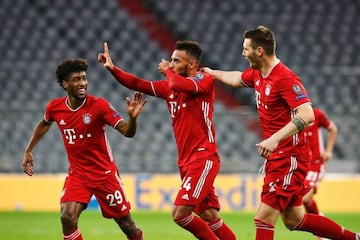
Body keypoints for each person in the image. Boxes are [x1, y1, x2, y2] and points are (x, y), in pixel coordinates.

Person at [202, 26, 359, 240]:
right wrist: (213, 73)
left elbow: (307, 114)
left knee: (263, 218)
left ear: (259, 51)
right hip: (280, 158)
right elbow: (237, 78)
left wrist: (275, 138)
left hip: (290, 157)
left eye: (245, 48)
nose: (242, 53)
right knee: (295, 220)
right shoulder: (258, 74)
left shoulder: (284, 78)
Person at [98, 41, 236, 240]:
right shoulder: (170, 88)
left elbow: (176, 82)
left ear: (192, 64)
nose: (170, 64)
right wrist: (112, 69)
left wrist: (168, 72)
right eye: (170, 60)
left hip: (203, 158)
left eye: (176, 61)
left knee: (180, 214)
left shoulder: (203, 80)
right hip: (186, 162)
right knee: (209, 215)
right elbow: (137, 83)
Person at [22, 59, 147, 240]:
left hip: (105, 176)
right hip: (78, 175)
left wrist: (133, 119)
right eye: (76, 79)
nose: (82, 83)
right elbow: (44, 123)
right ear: (65, 84)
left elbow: (127, 132)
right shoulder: (55, 107)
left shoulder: (99, 106)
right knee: (67, 217)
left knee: (128, 226)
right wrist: (28, 149)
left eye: (84, 78)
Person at [303, 108, 337, 215]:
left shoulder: (316, 114)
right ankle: (318, 221)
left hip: (316, 165)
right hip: (301, 165)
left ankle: (319, 221)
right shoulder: (292, 117)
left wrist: (328, 151)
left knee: (304, 198)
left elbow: (333, 129)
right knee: (304, 200)